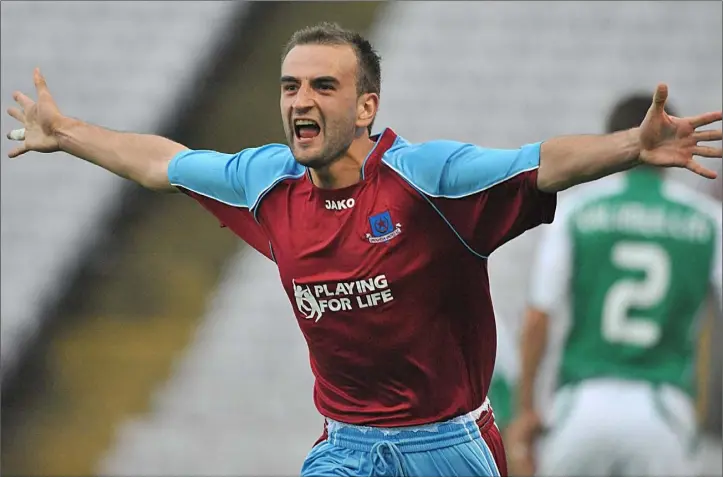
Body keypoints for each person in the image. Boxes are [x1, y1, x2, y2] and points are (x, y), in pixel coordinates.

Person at [5, 22, 721, 477]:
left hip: (449, 445)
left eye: (322, 85)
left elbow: (539, 161)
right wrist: (66, 132)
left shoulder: (428, 178)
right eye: (290, 86)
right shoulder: (264, 182)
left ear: (366, 106)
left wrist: (633, 146)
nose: (300, 101)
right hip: (346, 447)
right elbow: (163, 162)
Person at [506, 94, 723, 477]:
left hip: (581, 405)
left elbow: (540, 316)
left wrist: (526, 410)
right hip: (664, 407)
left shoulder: (577, 211)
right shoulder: (707, 220)